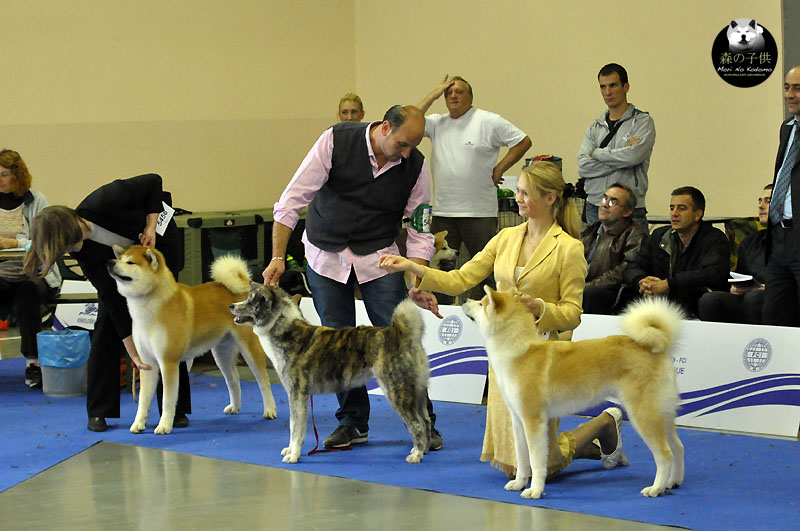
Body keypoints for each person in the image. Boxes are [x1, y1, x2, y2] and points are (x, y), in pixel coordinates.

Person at [379, 161, 626, 481]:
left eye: (525, 193)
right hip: (505, 355)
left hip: (544, 358)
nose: (518, 198)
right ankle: (585, 443)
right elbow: (459, 279)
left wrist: (538, 307)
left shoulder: (569, 248)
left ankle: (604, 423)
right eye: (518, 191)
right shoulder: (505, 237)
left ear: (551, 198)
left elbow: (573, 313)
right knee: (512, 465)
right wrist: (411, 267)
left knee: (543, 468)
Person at [262, 105, 442, 451]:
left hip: (379, 256)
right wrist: (277, 258)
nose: (407, 153)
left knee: (400, 337)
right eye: (403, 144)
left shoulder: (415, 166)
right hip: (325, 253)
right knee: (335, 338)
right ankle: (352, 422)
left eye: (414, 146)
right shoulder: (334, 141)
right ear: (385, 128)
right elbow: (290, 202)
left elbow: (420, 229)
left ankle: (424, 422)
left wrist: (416, 281)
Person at [24, 174, 191, 432]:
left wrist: (150, 226)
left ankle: (175, 410)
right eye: (68, 249)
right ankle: (99, 411)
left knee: (168, 332)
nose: (74, 249)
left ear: (74, 224)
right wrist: (134, 353)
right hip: (124, 275)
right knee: (104, 330)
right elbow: (112, 298)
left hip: (158, 253)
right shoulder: (85, 254)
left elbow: (152, 181)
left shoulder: (103, 201)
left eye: (72, 242)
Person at [417, 75, 532, 300]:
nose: (453, 95)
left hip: (479, 213)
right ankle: (444, 321)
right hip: (443, 213)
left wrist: (500, 169)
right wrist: (433, 93)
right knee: (439, 273)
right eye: (448, 92)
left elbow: (523, 141)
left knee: (485, 273)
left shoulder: (488, 121)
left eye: (459, 91)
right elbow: (407, 119)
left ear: (470, 97)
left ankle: (484, 320)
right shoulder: (436, 123)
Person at [0, 149, 61, 388]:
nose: (0, 179)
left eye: (4, 174)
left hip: (36, 274)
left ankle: (33, 362)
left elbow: (46, 242)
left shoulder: (37, 201)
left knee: (27, 292)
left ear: (18, 175)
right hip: (4, 277)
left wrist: (15, 243)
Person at [624, 186, 729, 317]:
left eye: (682, 208)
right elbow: (634, 266)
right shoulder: (659, 235)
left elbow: (712, 274)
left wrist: (669, 284)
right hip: (658, 304)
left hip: (694, 305)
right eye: (672, 208)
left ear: (698, 214)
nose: (674, 213)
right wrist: (641, 281)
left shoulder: (715, 239)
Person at [577, 63, 655, 229]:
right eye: (603, 87)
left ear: (626, 87)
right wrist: (622, 159)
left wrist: (598, 153)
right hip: (595, 206)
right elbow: (583, 167)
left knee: (635, 254)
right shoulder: (595, 127)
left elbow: (634, 157)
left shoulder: (641, 122)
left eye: (613, 85)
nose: (608, 92)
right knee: (594, 255)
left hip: (629, 206)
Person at [698, 185, 772, 324]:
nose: (761, 206)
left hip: (779, 299)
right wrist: (736, 288)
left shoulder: (792, 242)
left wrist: (769, 288)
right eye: (760, 201)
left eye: (768, 201)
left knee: (755, 298)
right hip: (750, 297)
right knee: (710, 300)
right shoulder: (749, 242)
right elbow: (740, 276)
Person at [763, 66, 800, 327]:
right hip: (780, 235)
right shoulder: (787, 128)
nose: (790, 94)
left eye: (797, 88)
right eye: (787, 87)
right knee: (774, 316)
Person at [580, 182, 646, 314]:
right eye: (604, 198)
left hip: (610, 293)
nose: (605, 204)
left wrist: (584, 287)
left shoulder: (635, 233)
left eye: (613, 202)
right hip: (583, 286)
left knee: (590, 293)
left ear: (627, 211)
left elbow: (623, 271)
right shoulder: (590, 231)